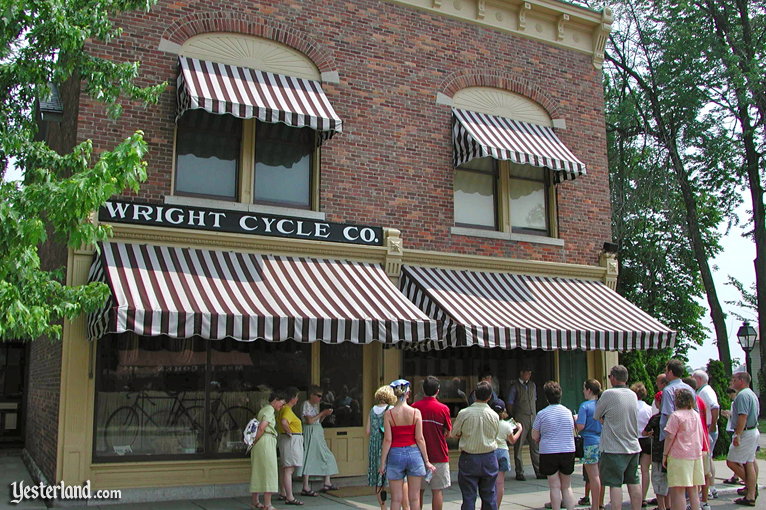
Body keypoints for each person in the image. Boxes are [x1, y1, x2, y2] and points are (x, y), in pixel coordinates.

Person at [379, 379, 435, 510]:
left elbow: (387, 440)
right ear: (408, 393)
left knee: (396, 499)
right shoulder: (416, 412)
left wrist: (382, 463)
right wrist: (426, 461)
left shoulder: (389, 414)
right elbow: (420, 438)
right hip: (414, 452)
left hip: (395, 453)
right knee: (414, 498)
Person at [594, 365, 642, 510]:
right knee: (633, 481)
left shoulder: (609, 394)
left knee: (614, 484)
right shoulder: (632, 394)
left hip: (614, 447)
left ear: (613, 378)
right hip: (633, 445)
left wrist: (605, 419)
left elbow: (597, 415)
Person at [452, 380, 500, 510]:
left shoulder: (464, 413)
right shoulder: (494, 415)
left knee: (468, 496)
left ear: (474, 395)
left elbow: (453, 433)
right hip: (489, 457)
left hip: (469, 457)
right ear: (490, 397)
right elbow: (495, 435)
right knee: (489, 496)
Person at [532, 381, 576, 510]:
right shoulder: (568, 412)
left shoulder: (542, 414)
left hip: (549, 451)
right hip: (568, 450)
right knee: (567, 486)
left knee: (554, 486)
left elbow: (534, 435)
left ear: (546, 397)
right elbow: (572, 428)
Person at [412, 376, 452, 510]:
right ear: (438, 390)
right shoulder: (443, 408)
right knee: (438, 491)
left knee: (418, 492)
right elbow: (448, 432)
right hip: (439, 454)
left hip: (418, 455)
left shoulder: (414, 407)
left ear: (423, 390)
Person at [662, 388, 705, 510]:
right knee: (693, 488)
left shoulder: (676, 416)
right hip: (695, 454)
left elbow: (670, 437)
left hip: (679, 455)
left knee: (679, 489)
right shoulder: (696, 415)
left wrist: (665, 454)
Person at [726, 371, 760, 507]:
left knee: (732, 462)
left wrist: (737, 435)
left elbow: (742, 416)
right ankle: (750, 491)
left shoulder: (742, 395)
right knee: (749, 461)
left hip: (746, 432)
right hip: (752, 431)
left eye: (734, 379)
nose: (732, 381)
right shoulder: (750, 393)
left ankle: (751, 488)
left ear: (741, 380)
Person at [298, 385, 338, 495]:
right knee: (309, 456)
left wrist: (324, 415)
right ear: (312, 395)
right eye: (318, 396)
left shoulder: (315, 406)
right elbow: (309, 421)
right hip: (310, 432)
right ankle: (305, 486)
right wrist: (322, 413)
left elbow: (317, 420)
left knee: (326, 455)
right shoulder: (306, 404)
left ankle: (327, 482)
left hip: (317, 432)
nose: (320, 398)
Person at [251, 392, 286, 510]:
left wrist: (254, 442)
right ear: (276, 399)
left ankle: (255, 501)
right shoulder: (270, 410)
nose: (282, 406)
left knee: (258, 470)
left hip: (260, 442)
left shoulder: (263, 409)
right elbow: (262, 427)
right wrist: (255, 440)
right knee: (269, 471)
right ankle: (267, 504)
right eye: (282, 403)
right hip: (266, 440)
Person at [506, 367, 541, 480]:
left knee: (535, 445)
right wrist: (514, 416)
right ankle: (519, 472)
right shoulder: (515, 386)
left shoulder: (532, 385)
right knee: (519, 445)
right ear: (522, 373)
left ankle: (539, 470)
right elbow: (510, 402)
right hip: (521, 417)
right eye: (527, 373)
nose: (529, 375)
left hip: (533, 417)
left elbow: (534, 399)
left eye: (530, 373)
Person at [366, 385, 397, 510]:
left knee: (378, 479)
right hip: (387, 444)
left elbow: (367, 431)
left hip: (374, 445)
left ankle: (383, 507)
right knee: (393, 477)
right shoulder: (391, 409)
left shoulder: (372, 410)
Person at [692, 369, 719, 504]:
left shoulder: (705, 391)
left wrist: (712, 425)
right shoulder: (702, 391)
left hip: (707, 427)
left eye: (694, 378)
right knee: (708, 458)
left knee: (706, 459)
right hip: (706, 426)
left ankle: (709, 488)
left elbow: (715, 407)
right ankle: (711, 487)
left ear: (700, 380)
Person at [577, 379, 603, 510]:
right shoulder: (602, 404)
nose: (583, 391)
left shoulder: (584, 406)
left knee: (593, 477)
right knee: (600, 475)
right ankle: (599, 503)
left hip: (589, 442)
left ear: (589, 390)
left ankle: (595, 506)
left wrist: (575, 420)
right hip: (602, 442)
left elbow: (580, 426)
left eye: (584, 389)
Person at [491, 398, 523, 507]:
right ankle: (497, 506)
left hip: (491, 451)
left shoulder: (489, 423)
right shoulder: (506, 425)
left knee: (490, 482)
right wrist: (519, 430)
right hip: (503, 452)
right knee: (500, 483)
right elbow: (512, 440)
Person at [277, 387, 304, 506]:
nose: (297, 399)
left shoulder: (283, 409)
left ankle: (283, 492)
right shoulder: (287, 410)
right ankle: (290, 496)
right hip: (291, 440)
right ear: (292, 398)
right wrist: (289, 432)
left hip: (285, 440)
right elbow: (284, 422)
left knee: (285, 467)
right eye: (297, 396)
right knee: (289, 469)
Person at [659, 360, 695, 442]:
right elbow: (695, 411)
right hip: (688, 434)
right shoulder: (690, 389)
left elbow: (669, 415)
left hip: (673, 436)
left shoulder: (668, 390)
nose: (665, 374)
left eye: (666, 371)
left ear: (670, 372)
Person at [631, 382, 653, 507]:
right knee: (645, 470)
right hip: (646, 439)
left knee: (633, 471)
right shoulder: (648, 408)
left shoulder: (631, 408)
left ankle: (635, 496)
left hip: (634, 439)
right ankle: (643, 497)